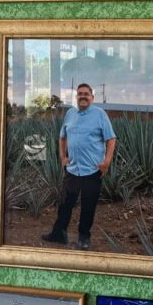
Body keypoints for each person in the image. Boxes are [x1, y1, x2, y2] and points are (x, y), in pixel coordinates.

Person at [41, 83, 116, 250]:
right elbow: (62, 137)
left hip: (92, 170)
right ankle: (58, 233)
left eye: (86, 94)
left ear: (92, 97)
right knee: (65, 204)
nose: (83, 96)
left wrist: (106, 162)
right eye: (80, 94)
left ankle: (84, 238)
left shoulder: (100, 115)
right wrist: (62, 157)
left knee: (88, 206)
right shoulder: (70, 113)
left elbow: (111, 139)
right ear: (76, 97)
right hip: (73, 169)